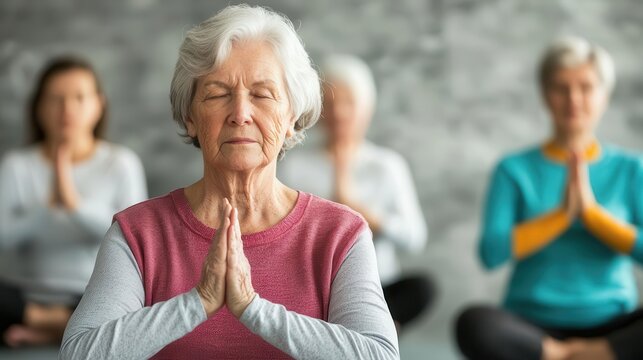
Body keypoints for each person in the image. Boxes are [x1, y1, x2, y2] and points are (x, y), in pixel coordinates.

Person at [60, 5, 399, 359]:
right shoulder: (137, 234)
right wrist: (197, 303)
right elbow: (78, 354)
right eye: (218, 93)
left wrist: (253, 309)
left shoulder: (341, 234)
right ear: (190, 117)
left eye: (262, 94)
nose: (240, 114)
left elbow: (380, 355)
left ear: (291, 117)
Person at [455, 36, 643, 360]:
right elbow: (491, 253)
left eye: (586, 87)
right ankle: (558, 354)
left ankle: (595, 352)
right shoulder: (513, 169)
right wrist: (561, 215)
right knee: (472, 323)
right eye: (561, 88)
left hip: (614, 323)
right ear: (545, 94)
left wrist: (592, 215)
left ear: (604, 96)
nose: (574, 99)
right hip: (531, 327)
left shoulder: (630, 169)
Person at [0, 56, 147, 347]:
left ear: (98, 105)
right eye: (55, 99)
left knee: (132, 303)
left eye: (79, 98)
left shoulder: (121, 163)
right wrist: (47, 209)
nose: (67, 110)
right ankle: (59, 325)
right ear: (39, 107)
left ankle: (50, 327)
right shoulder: (17, 164)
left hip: (92, 293)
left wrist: (72, 203)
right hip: (24, 294)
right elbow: (4, 236)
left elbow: (137, 240)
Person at [278, 54, 433, 330]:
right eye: (331, 104)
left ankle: (367, 332)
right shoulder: (296, 164)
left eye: (349, 103)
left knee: (422, 288)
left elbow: (415, 237)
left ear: (366, 109)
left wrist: (369, 216)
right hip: (317, 285)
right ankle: (366, 334)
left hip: (376, 285)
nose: (339, 114)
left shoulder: (387, 165)